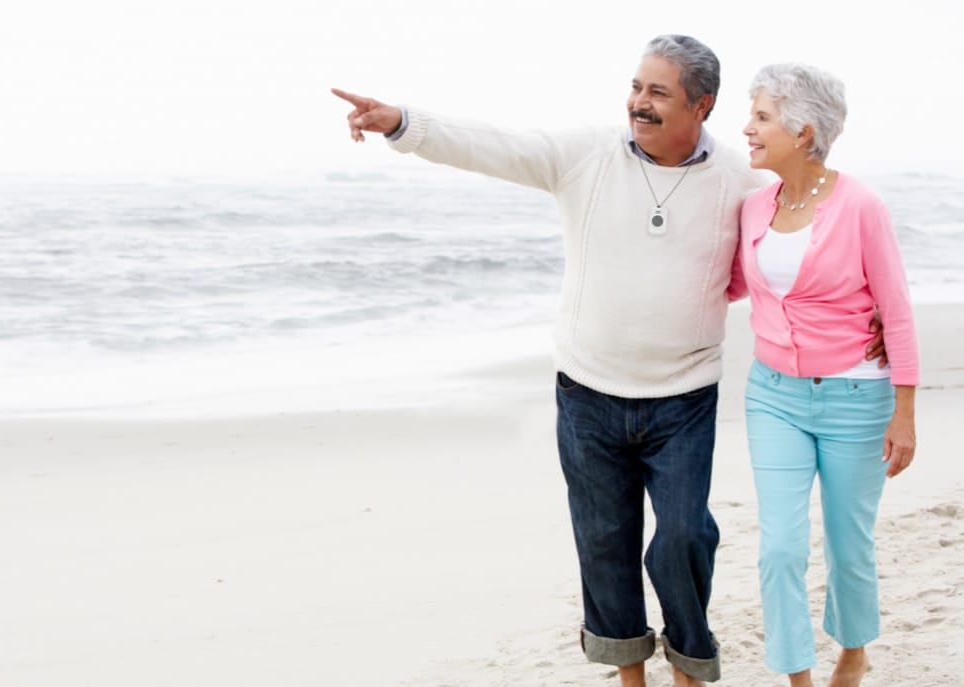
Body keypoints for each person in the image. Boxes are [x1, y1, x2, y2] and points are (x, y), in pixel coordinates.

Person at [332, 37, 882, 687]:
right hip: (588, 393)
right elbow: (494, 146)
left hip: (684, 397)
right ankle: (631, 678)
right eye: (636, 87)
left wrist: (864, 308)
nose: (639, 103)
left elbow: (807, 225)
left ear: (701, 105)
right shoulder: (585, 155)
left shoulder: (739, 179)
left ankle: (689, 664)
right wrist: (402, 122)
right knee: (604, 542)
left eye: (658, 92)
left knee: (682, 538)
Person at [737, 63, 919, 687]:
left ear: (802, 129)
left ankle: (855, 648)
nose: (748, 129)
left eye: (761, 117)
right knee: (780, 547)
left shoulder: (862, 205)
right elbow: (732, 283)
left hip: (856, 399)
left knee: (848, 546)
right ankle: (798, 677)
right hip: (773, 397)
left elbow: (894, 311)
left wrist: (905, 412)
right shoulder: (754, 206)